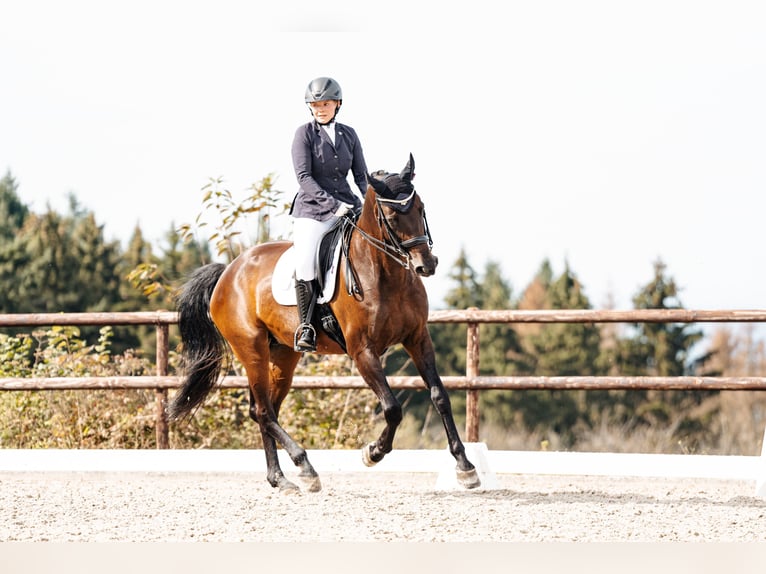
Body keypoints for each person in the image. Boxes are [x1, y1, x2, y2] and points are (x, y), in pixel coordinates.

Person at [290, 77, 369, 352]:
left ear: (337, 104)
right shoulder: (304, 134)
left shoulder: (349, 134)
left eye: (326, 103)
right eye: (315, 104)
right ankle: (307, 326)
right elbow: (304, 177)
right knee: (306, 262)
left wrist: (370, 202)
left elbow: (360, 175)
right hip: (312, 210)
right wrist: (333, 205)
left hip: (349, 206)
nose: (320, 109)